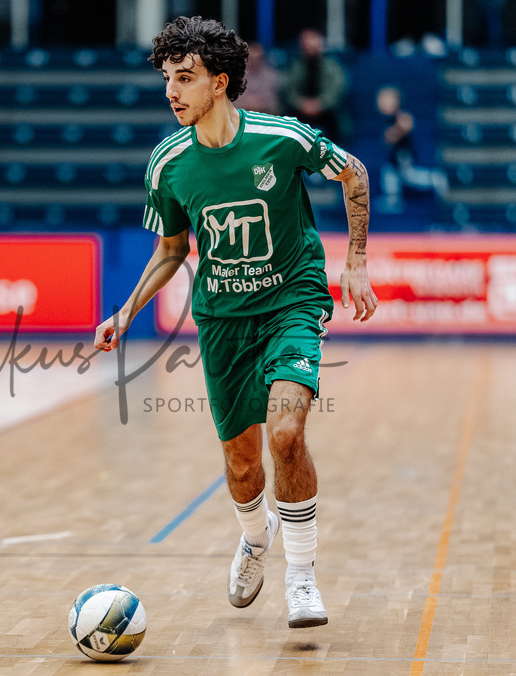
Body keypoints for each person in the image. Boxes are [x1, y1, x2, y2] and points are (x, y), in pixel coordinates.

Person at [94, 16, 377, 628]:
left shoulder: (282, 137)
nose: (172, 91)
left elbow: (353, 171)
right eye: (167, 78)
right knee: (242, 460)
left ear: (219, 82)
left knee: (285, 432)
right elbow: (172, 249)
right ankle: (255, 537)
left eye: (185, 78)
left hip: (292, 303)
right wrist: (124, 310)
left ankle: (301, 576)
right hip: (222, 319)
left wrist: (355, 262)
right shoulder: (167, 164)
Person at [375, 85, 447, 213]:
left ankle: (434, 178)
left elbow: (403, 128)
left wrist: (395, 132)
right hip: (394, 156)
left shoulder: (402, 117)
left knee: (409, 175)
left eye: (387, 100)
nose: (382, 103)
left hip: (404, 155)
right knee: (389, 173)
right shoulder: (387, 120)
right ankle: (393, 200)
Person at [282, 28, 347, 142]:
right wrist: (301, 104)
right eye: (307, 46)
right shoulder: (294, 67)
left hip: (326, 111)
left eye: (313, 46)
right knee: (287, 123)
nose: (310, 49)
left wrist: (319, 104)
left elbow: (336, 91)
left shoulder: (332, 67)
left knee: (335, 122)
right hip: (299, 110)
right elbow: (288, 91)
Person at [237, 42, 280, 115]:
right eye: (251, 58)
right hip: (241, 118)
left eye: (257, 58)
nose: (254, 61)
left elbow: (276, 105)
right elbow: (230, 104)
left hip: (266, 118)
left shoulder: (272, 76)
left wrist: (258, 106)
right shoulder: (236, 76)